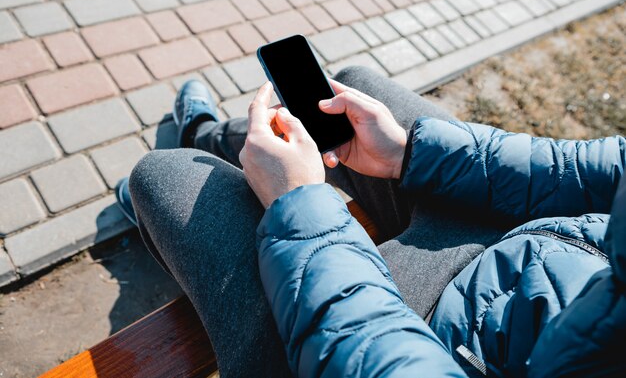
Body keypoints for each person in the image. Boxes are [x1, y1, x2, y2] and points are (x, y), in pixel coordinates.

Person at [116, 66, 626, 378]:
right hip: (528, 248)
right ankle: (209, 136)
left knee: (168, 178)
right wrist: (409, 154)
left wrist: (301, 206)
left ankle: (195, 149)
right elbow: (591, 168)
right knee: (350, 90)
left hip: (422, 348)